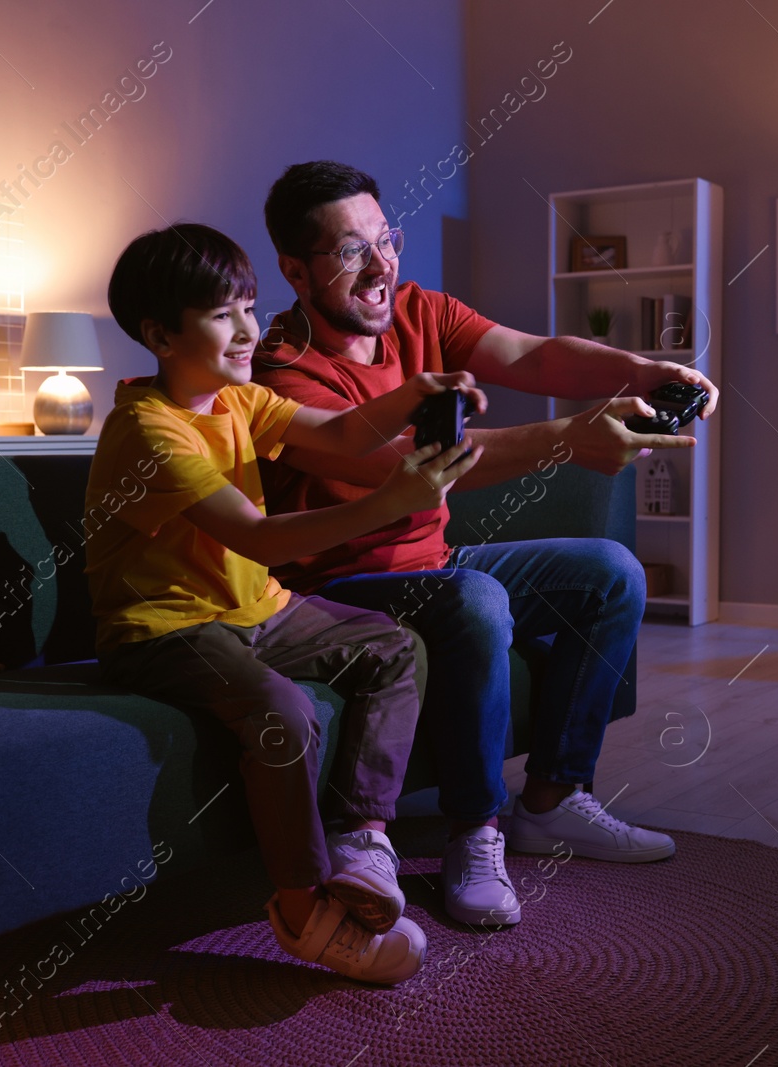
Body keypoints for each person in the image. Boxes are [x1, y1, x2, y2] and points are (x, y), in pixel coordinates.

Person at [254, 161, 719, 928]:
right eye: (349, 252)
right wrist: (570, 437)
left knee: (611, 572)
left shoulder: (416, 310)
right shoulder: (277, 371)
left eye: (385, 240)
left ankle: (554, 798)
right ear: (295, 271)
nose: (381, 267)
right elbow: (394, 461)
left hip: (431, 563)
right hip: (334, 588)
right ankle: (477, 830)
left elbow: (533, 355)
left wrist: (645, 368)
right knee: (476, 598)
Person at [87, 222, 485, 984]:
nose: (247, 329)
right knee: (283, 712)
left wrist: (417, 393)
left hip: (256, 611)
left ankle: (361, 838)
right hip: (165, 627)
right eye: (221, 314)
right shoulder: (147, 432)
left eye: (248, 306)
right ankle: (303, 912)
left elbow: (338, 433)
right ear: (159, 334)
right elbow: (262, 537)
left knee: (396, 647)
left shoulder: (238, 397)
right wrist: (395, 496)